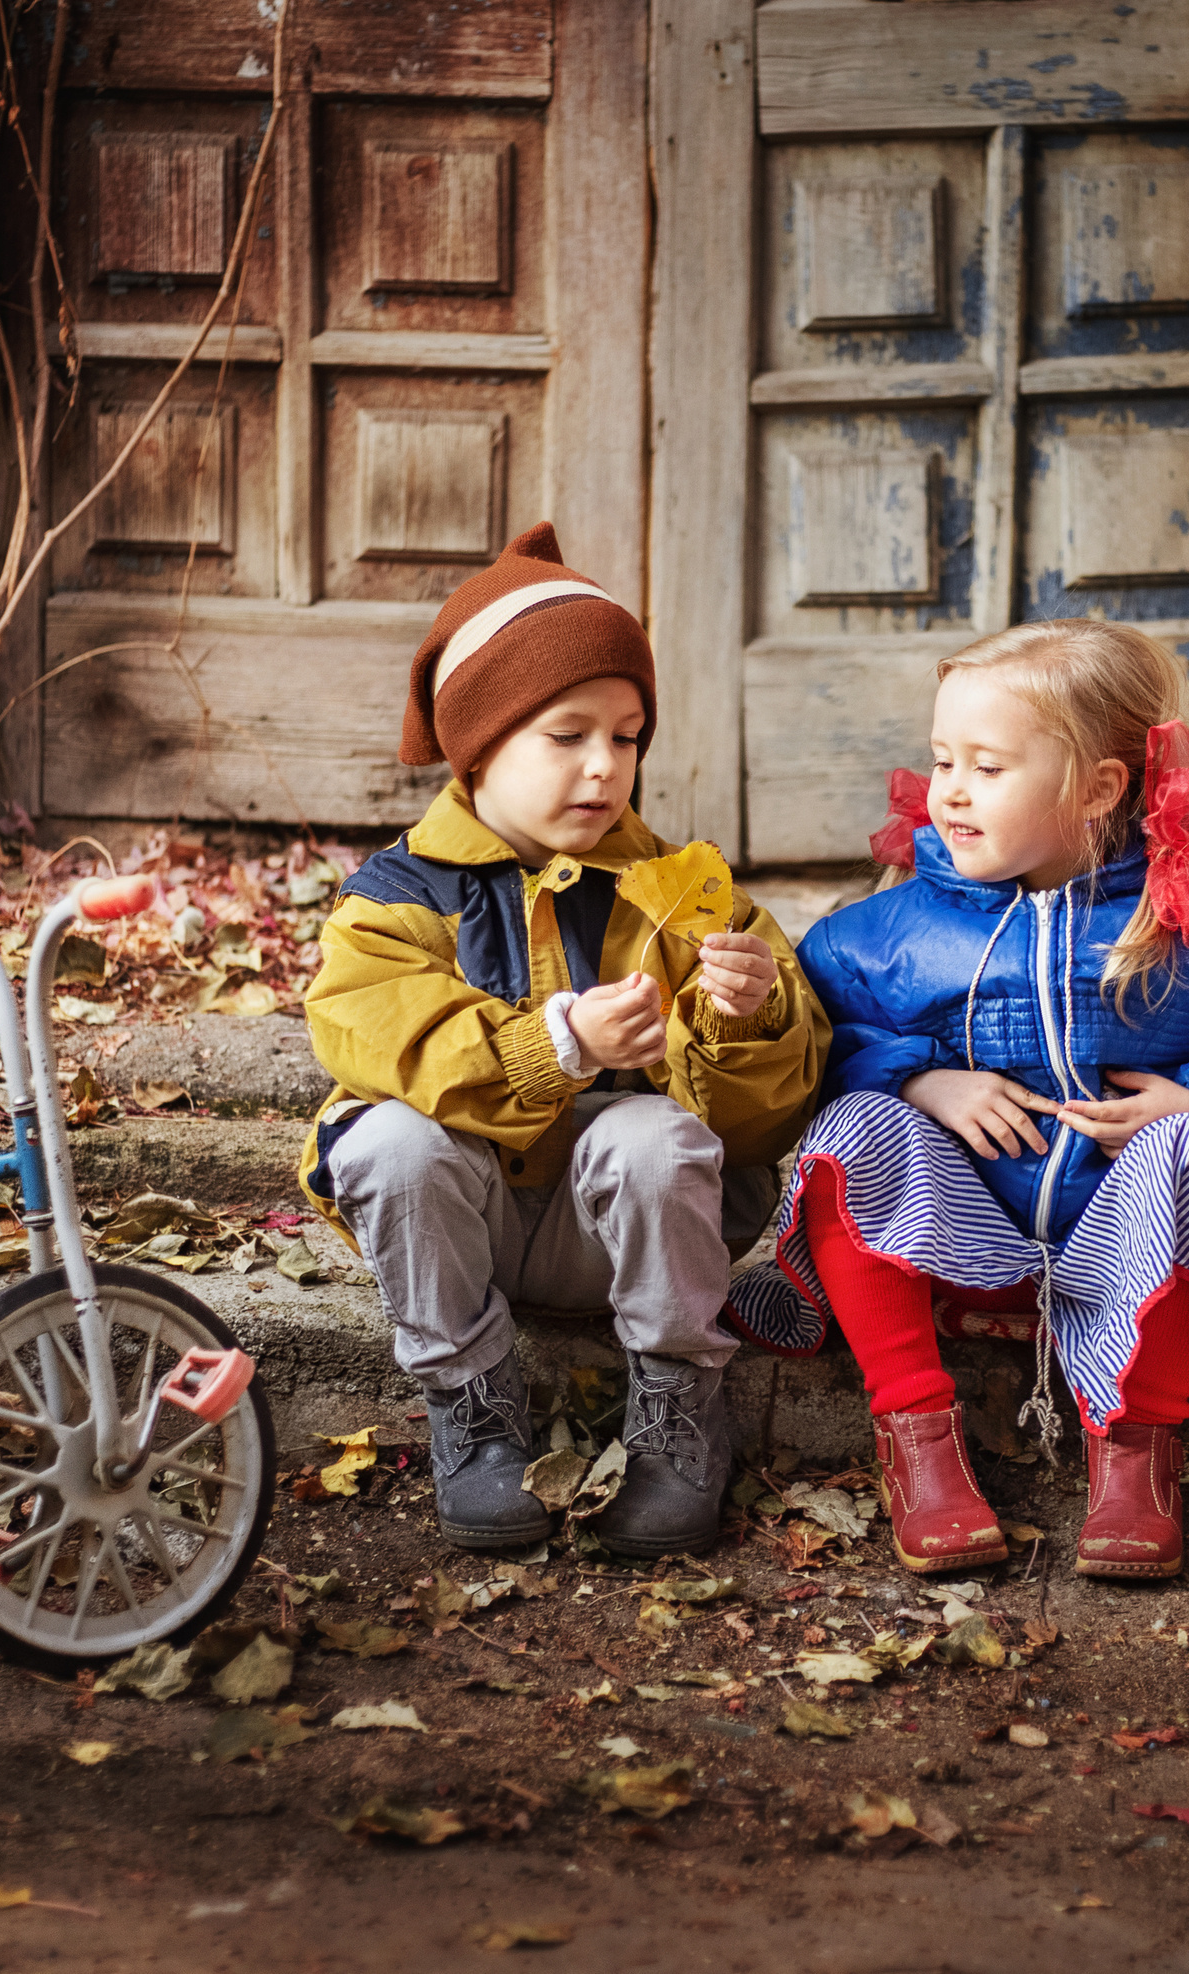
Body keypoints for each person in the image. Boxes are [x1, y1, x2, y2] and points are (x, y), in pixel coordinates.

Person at [724, 619, 1189, 1580]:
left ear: (1099, 788)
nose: (951, 789)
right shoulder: (885, 933)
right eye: (942, 759)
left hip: (1133, 1256)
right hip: (955, 1251)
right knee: (853, 1124)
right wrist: (920, 1080)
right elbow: (818, 1038)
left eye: (988, 767)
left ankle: (1138, 1452)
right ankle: (917, 1436)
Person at [298, 523, 828, 1560]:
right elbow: (382, 1034)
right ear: (478, 745)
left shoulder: (682, 892)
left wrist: (747, 1021)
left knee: (650, 1135)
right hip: (469, 1231)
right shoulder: (393, 902)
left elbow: (758, 1127)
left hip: (620, 1239)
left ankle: (678, 1408)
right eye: (567, 735)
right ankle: (470, 1404)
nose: (604, 767)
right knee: (388, 1139)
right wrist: (559, 1044)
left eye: (626, 738)